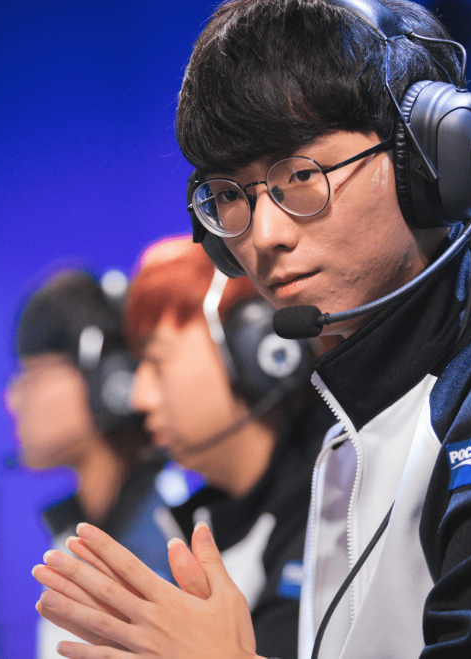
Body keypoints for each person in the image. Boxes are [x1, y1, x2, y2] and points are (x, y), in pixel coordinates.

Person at [30, 1, 471, 658]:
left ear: (431, 157)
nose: (264, 235)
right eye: (231, 194)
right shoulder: (351, 418)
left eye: (301, 176)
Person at [122, 236, 331, 659]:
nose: (137, 397)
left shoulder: (337, 506)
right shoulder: (207, 525)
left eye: (157, 361)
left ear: (257, 351)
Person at [5, 269, 175, 659]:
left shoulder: (169, 541)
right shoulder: (81, 533)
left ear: (107, 379)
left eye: (32, 374)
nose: (13, 399)